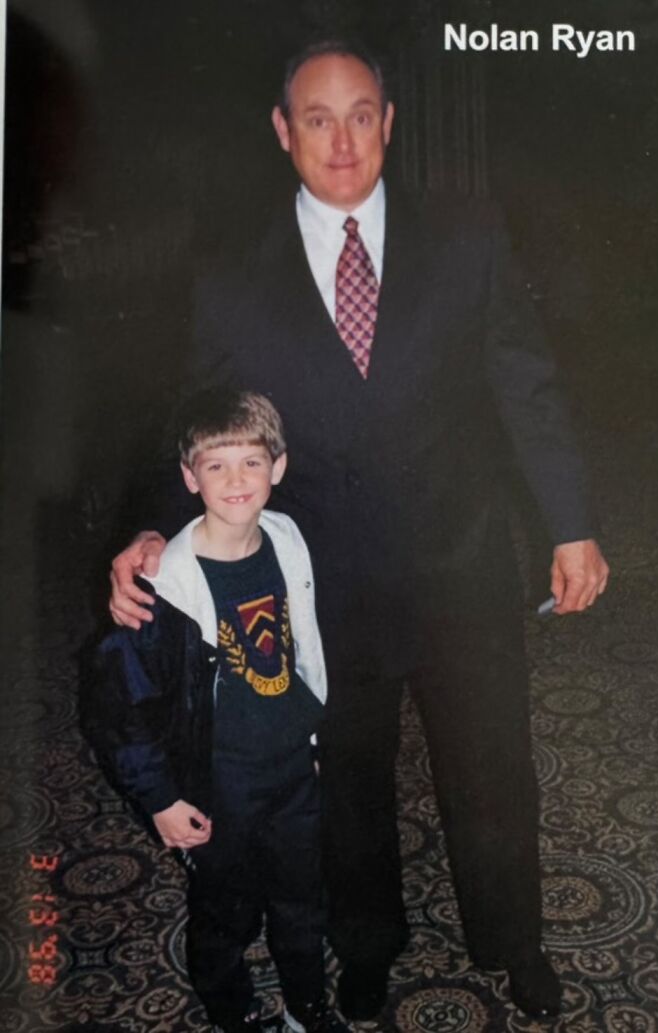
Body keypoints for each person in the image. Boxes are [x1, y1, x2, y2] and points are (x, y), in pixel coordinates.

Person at [109, 39, 610, 1022]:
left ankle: (514, 941)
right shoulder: (231, 275)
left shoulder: (466, 237)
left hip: (459, 561)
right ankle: (367, 944)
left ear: (387, 122)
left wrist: (571, 520)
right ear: (282, 131)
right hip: (320, 583)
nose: (341, 139)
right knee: (344, 783)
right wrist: (147, 530)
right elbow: (185, 414)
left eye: (360, 114)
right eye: (317, 117)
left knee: (492, 766)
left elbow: (525, 384)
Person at [87, 389, 349, 1033]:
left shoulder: (288, 539)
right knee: (224, 906)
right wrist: (160, 800)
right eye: (216, 465)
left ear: (278, 467)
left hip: (291, 768)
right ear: (188, 477)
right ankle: (230, 1007)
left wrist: (311, 741)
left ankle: (306, 1005)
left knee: (301, 900)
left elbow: (301, 644)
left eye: (252, 462)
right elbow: (118, 711)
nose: (236, 480)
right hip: (219, 780)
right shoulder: (163, 587)